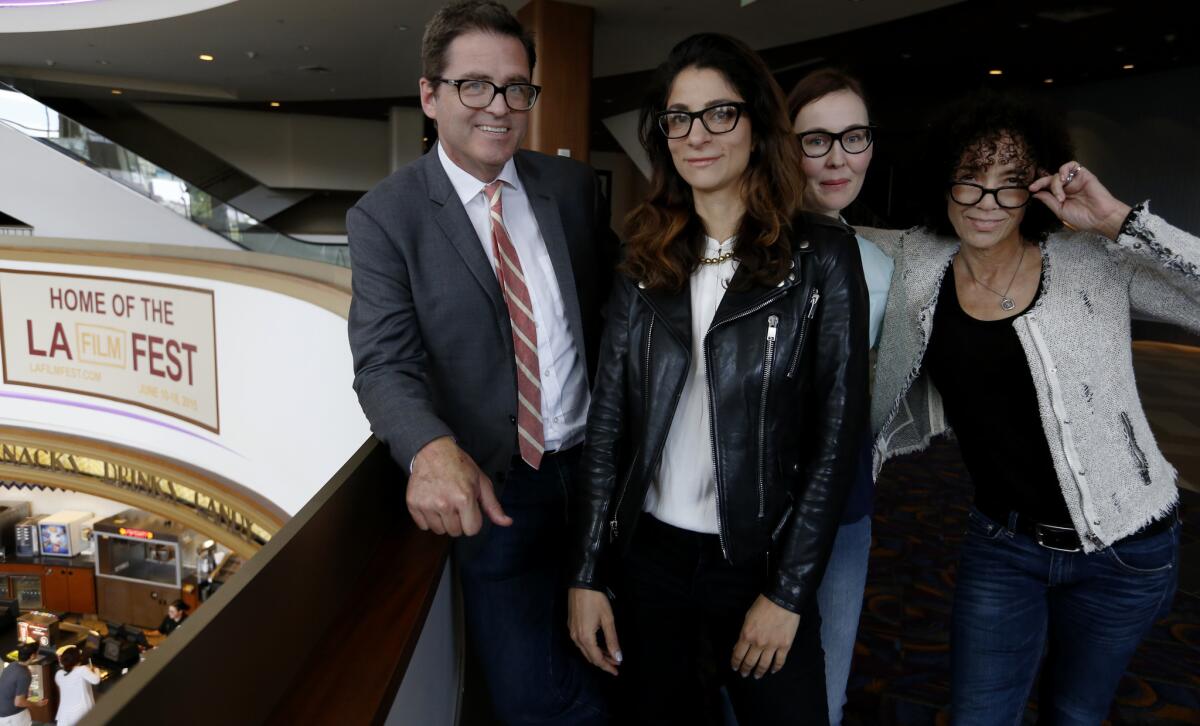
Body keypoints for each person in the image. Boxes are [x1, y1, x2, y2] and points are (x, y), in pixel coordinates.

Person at [865, 90, 1194, 724]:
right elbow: (821, 233)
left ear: (1036, 189)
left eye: (1009, 184)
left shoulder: (1092, 260)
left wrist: (1121, 221)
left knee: (1075, 713)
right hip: (1002, 545)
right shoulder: (916, 261)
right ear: (945, 183)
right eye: (970, 181)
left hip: (1128, 551)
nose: (987, 204)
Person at [568, 33, 868, 725]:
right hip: (651, 559)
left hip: (757, 560)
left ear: (758, 125)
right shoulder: (645, 257)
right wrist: (587, 572)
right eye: (679, 118)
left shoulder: (822, 258)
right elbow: (607, 423)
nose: (696, 135)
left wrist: (789, 592)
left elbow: (835, 439)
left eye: (720, 114)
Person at [346, 1, 616, 722]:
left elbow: (614, 324)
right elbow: (382, 363)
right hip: (502, 493)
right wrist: (429, 449)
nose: (499, 107)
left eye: (516, 87)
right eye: (475, 86)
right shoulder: (386, 217)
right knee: (534, 697)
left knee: (626, 663)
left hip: (600, 475)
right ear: (431, 95)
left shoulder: (571, 192)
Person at [787, 68, 893, 726]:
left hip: (843, 511)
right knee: (747, 687)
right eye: (816, 139)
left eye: (853, 137)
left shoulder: (883, 264)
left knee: (825, 694)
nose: (836, 158)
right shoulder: (743, 246)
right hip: (749, 510)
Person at [53, 646, 100, 726]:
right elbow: (96, 680)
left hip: (64, 715)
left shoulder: (59, 675)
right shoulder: (82, 670)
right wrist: (96, 670)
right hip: (81, 712)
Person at [0, 643, 39, 726]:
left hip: (2, 716)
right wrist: (36, 704)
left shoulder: (11, 665)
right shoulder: (24, 674)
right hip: (13, 718)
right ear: (32, 656)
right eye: (37, 653)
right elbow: (19, 702)